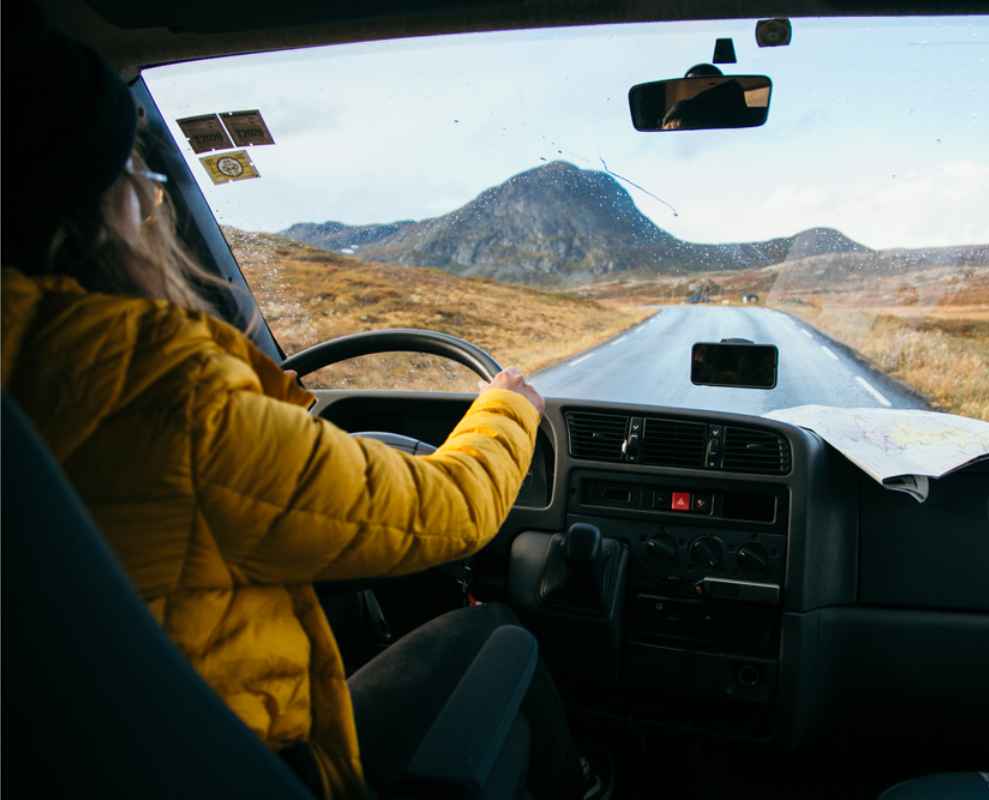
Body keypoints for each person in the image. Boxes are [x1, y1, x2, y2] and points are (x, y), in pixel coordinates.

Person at [1, 22, 587, 800]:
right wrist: (507, 407)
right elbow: (447, 509)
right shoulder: (168, 391)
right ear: (111, 209)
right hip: (242, 759)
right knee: (497, 635)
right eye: (141, 183)